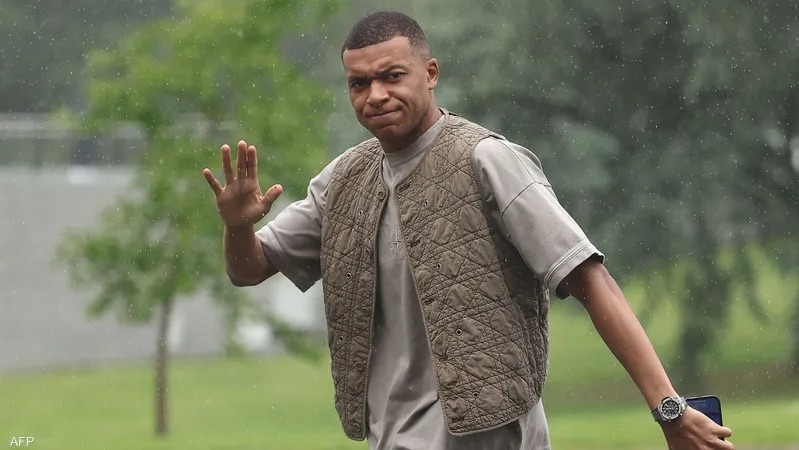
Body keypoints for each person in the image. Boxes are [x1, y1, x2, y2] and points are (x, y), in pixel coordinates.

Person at [203, 10, 734, 450]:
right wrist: (236, 227)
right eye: (359, 83)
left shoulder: (487, 160)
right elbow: (248, 269)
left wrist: (668, 409)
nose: (376, 95)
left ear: (430, 73)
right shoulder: (343, 182)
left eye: (392, 76)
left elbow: (591, 280)